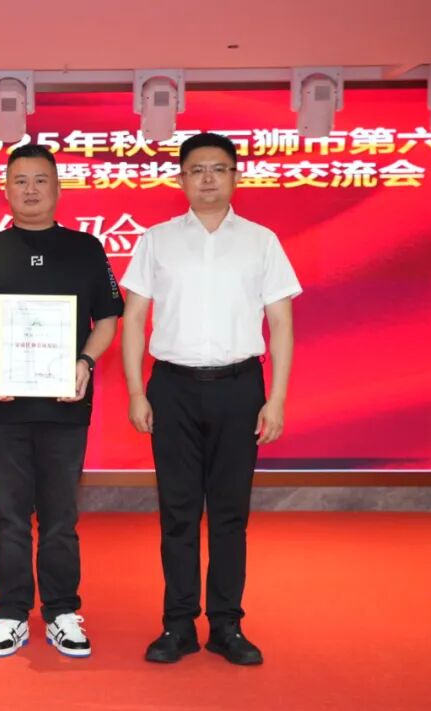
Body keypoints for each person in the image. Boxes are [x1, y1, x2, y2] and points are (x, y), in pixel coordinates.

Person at [120, 132, 301, 665]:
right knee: (177, 513)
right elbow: (134, 317)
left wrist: (276, 399)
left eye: (218, 169)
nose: (207, 179)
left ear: (235, 177)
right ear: (180, 179)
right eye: (196, 169)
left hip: (240, 388)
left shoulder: (262, 241)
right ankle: (178, 625)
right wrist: (136, 391)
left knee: (229, 514)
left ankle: (226, 625)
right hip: (172, 388)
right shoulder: (156, 240)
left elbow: (281, 325)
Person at [0, 144, 123, 658]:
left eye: (41, 180)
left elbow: (107, 319)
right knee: (7, 512)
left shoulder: (86, 249)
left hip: (65, 405)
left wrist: (85, 361)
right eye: (20, 180)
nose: (30, 189)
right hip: (2, 405)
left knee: (60, 514)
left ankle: (62, 611)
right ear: (5, 188)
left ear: (58, 188)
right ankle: (10, 613)